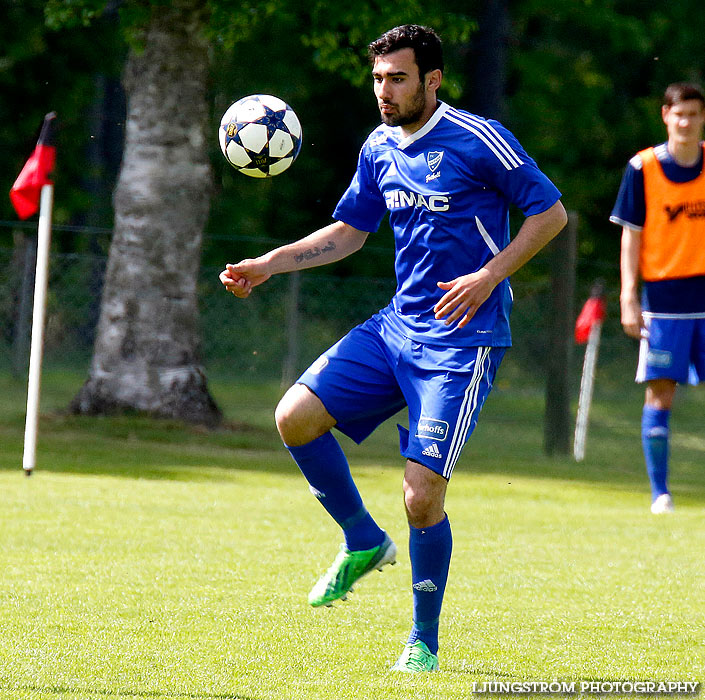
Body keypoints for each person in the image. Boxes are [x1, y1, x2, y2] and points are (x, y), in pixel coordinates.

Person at [220, 24, 566, 672]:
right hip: (396, 329)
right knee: (293, 416)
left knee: (420, 497)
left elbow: (549, 214)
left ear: (432, 80)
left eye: (397, 78)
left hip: (462, 344)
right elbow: (351, 230)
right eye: (378, 78)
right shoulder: (378, 146)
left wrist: (489, 275)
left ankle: (422, 642)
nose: (384, 90)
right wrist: (269, 262)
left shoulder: (478, 138)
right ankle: (361, 540)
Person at [610, 82, 705, 515]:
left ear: (703, 118)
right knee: (660, 394)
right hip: (664, 299)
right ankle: (660, 493)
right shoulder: (642, 167)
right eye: (678, 113)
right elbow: (632, 236)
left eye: (694, 114)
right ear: (665, 115)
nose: (686, 121)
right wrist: (628, 296)